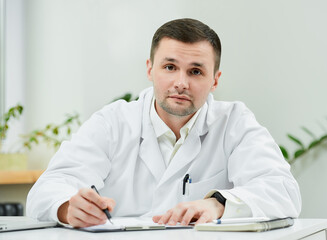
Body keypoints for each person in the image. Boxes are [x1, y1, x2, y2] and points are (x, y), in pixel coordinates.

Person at [26, 18, 301, 228]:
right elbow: (48, 188)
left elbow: (284, 191)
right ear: (150, 69)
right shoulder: (112, 122)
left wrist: (218, 204)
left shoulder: (234, 122)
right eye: (170, 67)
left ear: (215, 80)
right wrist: (66, 207)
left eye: (196, 71)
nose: (181, 83)